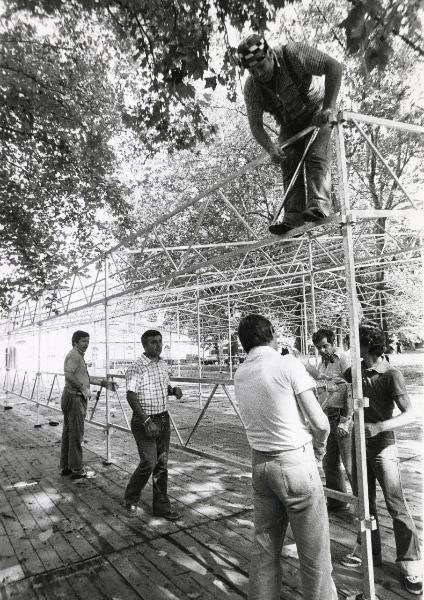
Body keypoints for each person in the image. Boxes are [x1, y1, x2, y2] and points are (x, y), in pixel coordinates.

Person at [234, 314, 337, 600]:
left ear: (243, 343)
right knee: (314, 553)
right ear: (272, 335)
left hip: (260, 464)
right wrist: (320, 447)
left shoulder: (240, 373)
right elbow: (320, 423)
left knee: (264, 548)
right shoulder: (286, 363)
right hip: (294, 462)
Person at [342, 325, 422, 596]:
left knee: (395, 504)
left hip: (382, 446)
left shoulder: (391, 375)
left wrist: (379, 427)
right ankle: (369, 554)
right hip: (357, 445)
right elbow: (342, 392)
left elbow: (409, 414)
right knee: (364, 504)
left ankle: (411, 563)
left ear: (369, 345)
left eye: (356, 342)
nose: (352, 347)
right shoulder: (355, 371)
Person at [237, 34, 343, 235]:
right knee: (288, 162)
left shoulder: (293, 54)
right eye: (253, 70)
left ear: (269, 54)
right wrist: (270, 148)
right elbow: (256, 125)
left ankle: (318, 207)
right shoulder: (251, 87)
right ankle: (293, 218)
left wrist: (328, 108)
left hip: (316, 111)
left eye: (261, 66)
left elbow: (334, 67)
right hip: (288, 124)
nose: (259, 73)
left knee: (316, 155)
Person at [124, 329, 183, 520]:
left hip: (163, 418)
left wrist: (173, 390)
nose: (157, 346)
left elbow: (160, 387)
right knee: (149, 462)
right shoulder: (137, 367)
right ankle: (131, 497)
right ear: (144, 345)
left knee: (162, 463)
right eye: (152, 342)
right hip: (145, 421)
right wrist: (146, 420)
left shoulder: (163, 364)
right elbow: (131, 395)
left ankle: (162, 507)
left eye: (159, 342)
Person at [60, 330, 116, 480]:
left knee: (68, 433)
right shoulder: (74, 355)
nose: (86, 344)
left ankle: (65, 466)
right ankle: (77, 469)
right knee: (76, 434)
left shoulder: (78, 356)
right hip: (75, 398)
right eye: (83, 341)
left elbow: (82, 377)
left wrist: (102, 383)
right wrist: (82, 388)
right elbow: (68, 375)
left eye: (88, 341)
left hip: (71, 396)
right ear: (76, 341)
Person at [309, 328, 353, 511]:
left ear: (333, 342)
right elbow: (322, 388)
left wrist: (346, 418)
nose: (322, 350)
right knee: (329, 463)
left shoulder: (344, 359)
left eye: (325, 346)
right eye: (318, 347)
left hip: (342, 416)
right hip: (327, 415)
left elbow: (351, 389)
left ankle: (363, 507)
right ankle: (337, 502)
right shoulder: (322, 364)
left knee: (350, 465)